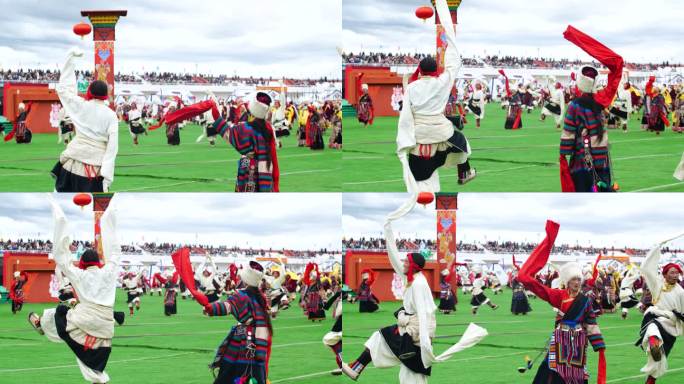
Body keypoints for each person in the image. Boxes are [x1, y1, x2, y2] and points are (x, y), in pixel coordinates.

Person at [341, 181, 488, 383]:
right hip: (409, 326)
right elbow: (393, 258)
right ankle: (356, 368)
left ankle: (357, 368)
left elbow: (426, 313)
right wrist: (388, 229)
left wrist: (425, 343)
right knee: (382, 340)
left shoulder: (418, 284)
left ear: (413, 266)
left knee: (411, 374)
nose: (403, 261)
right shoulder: (410, 277)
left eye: (406, 260)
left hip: (417, 331)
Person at [28, 197, 120, 383]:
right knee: (94, 362)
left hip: (85, 320)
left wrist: (61, 226)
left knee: (58, 313)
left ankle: (41, 325)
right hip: (105, 326)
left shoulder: (80, 274)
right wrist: (109, 219)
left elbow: (62, 260)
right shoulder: (109, 271)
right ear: (98, 263)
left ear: (84, 264)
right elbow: (115, 253)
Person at [396, 3, 476, 193]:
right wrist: (451, 45)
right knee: (462, 143)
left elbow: (406, 114)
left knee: (420, 180)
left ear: (421, 70)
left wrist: (404, 139)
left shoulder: (412, 87)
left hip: (420, 135)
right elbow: (453, 65)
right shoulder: (443, 81)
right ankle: (464, 173)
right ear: (434, 70)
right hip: (442, 132)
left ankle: (426, 193)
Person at [517, 220, 607, 384]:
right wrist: (525, 277)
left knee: (576, 374)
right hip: (560, 339)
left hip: (579, 342)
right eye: (573, 280)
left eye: (578, 280)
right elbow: (539, 288)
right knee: (552, 370)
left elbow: (590, 321)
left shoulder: (585, 300)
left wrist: (598, 344)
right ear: (567, 281)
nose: (577, 283)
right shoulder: (559, 295)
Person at [559, 26, 624, 193]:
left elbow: (568, 133)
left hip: (583, 161)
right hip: (602, 159)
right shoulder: (601, 100)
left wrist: (564, 154)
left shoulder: (574, 106)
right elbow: (616, 72)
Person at [52, 47, 119, 192]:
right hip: (94, 169)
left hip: (72, 163)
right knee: (94, 207)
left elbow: (63, 90)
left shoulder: (81, 106)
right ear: (105, 95)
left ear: (90, 92)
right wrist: (107, 176)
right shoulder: (111, 115)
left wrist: (70, 59)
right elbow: (112, 147)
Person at [203, 261, 272, 384]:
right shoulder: (260, 297)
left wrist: (210, 308)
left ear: (245, 279)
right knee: (254, 373)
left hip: (243, 340)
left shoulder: (242, 295)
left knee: (233, 373)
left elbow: (227, 306)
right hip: (258, 340)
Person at [635, 235, 684, 384]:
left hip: (671, 324)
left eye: (677, 273)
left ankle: (651, 380)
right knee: (652, 328)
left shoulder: (681, 292)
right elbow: (646, 268)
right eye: (672, 272)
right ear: (665, 274)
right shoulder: (657, 284)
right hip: (656, 317)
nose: (675, 275)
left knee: (660, 359)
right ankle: (654, 342)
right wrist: (656, 249)